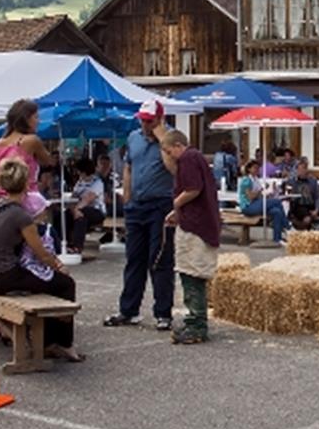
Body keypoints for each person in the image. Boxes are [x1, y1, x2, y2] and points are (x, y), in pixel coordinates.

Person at [0, 158, 82, 362]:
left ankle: (47, 341)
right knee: (65, 284)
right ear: (26, 184)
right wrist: (59, 266)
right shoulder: (21, 216)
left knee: (44, 283)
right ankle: (63, 343)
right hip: (4, 276)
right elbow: (42, 253)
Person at [104, 99, 176, 331]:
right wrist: (127, 197)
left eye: (150, 121)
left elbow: (174, 168)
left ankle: (163, 312)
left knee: (159, 259)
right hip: (137, 205)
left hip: (160, 204)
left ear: (160, 120)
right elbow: (129, 166)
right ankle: (129, 309)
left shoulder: (173, 139)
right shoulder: (134, 137)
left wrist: (162, 139)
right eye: (143, 121)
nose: (145, 125)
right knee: (134, 258)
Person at [162, 131, 220, 344]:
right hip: (198, 222)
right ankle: (194, 321)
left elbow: (193, 189)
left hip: (196, 227)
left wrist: (176, 203)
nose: (170, 157)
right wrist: (177, 212)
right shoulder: (197, 157)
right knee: (192, 274)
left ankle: (197, 325)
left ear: (178, 145)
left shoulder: (188, 158)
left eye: (170, 152)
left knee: (192, 273)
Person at [0, 99, 54, 218]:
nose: (38, 121)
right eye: (36, 117)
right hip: (28, 200)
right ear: (26, 119)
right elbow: (48, 161)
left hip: (3, 202)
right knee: (44, 226)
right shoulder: (31, 141)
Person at [238, 159, 289, 243]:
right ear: (249, 169)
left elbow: (260, 194)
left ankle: (277, 237)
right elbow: (250, 197)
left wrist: (269, 191)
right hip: (248, 206)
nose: (256, 170)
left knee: (277, 211)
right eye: (254, 168)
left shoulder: (256, 179)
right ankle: (287, 226)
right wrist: (260, 191)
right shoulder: (246, 180)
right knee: (277, 202)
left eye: (258, 168)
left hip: (256, 203)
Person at [65, 157, 105, 254]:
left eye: (78, 171)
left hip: (96, 211)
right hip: (80, 209)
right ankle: (66, 243)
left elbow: (89, 198)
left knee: (81, 216)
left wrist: (77, 209)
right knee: (64, 216)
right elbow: (73, 197)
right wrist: (73, 209)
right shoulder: (79, 183)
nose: (77, 173)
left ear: (83, 171)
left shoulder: (97, 182)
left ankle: (77, 247)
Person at [287, 159, 319, 230]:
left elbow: (318, 196)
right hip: (300, 205)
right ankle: (301, 229)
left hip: (312, 204)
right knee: (307, 219)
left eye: (305, 168)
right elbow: (290, 195)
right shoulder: (293, 181)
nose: (304, 171)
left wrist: (317, 209)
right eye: (301, 169)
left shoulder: (312, 181)